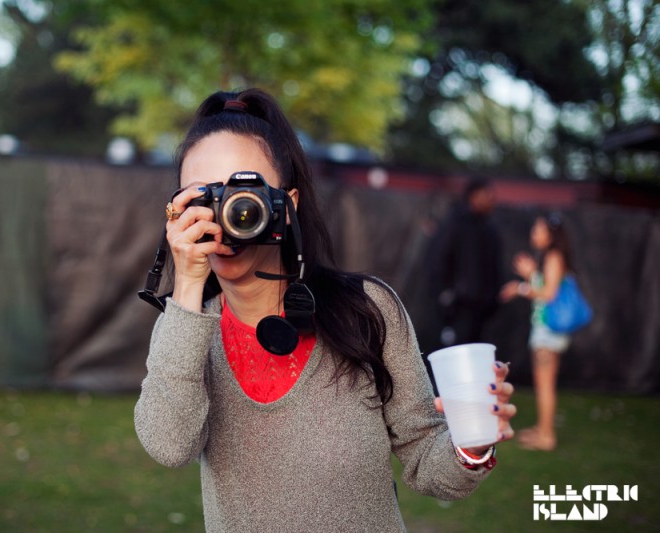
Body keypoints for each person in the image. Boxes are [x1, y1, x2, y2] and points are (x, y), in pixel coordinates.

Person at [134, 88, 516, 532]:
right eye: (203, 199)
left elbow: (424, 455)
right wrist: (187, 285)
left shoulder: (368, 311)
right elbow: (170, 446)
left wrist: (471, 444)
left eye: (244, 194)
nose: (227, 215)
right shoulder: (183, 331)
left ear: (288, 205)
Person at [500, 213, 572, 451]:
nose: (534, 233)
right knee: (543, 383)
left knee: (545, 384)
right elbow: (545, 288)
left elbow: (548, 294)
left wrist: (520, 287)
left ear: (550, 235)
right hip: (546, 331)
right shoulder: (550, 257)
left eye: (538, 229)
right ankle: (542, 429)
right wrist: (531, 274)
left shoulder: (553, 257)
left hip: (548, 333)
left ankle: (547, 436)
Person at [427, 177, 504, 348]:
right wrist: (446, 293)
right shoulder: (455, 224)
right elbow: (439, 259)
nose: (492, 200)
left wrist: (493, 299)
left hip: (482, 309)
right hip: (458, 306)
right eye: (487, 195)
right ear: (474, 196)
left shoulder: (489, 229)